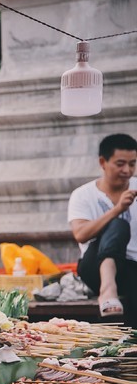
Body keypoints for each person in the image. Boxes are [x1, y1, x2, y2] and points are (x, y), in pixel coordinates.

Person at [68, 133, 137, 321]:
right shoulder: (83, 195)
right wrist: (117, 209)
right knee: (118, 224)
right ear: (103, 162)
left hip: (131, 267)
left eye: (132, 164)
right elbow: (80, 234)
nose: (127, 170)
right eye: (120, 164)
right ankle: (108, 288)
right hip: (93, 266)